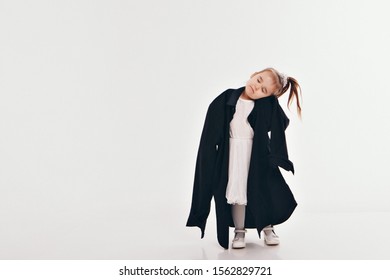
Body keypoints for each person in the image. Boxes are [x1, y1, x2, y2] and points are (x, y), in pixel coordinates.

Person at [186, 67, 302, 249]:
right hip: (233, 155)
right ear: (254, 74)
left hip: (258, 156)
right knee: (237, 191)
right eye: (259, 80)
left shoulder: (265, 105)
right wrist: (209, 158)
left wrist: (270, 104)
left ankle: (267, 228)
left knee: (263, 189)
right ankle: (239, 232)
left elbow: (281, 123)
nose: (257, 87)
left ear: (268, 97)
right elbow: (210, 132)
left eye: (264, 90)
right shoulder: (226, 99)